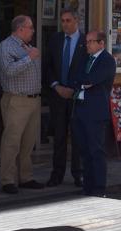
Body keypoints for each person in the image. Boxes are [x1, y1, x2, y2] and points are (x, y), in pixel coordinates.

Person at [0, 15, 45, 194]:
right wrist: (29, 58)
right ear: (20, 29)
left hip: (33, 100)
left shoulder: (28, 47)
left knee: (28, 142)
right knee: (12, 142)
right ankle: (7, 180)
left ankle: (26, 177)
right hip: (16, 100)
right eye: (30, 27)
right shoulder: (5, 46)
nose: (33, 31)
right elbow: (8, 71)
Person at [70, 31, 116, 197]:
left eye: (91, 42)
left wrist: (83, 82)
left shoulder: (107, 60)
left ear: (101, 43)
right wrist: (82, 82)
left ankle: (99, 187)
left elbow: (92, 79)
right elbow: (75, 77)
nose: (87, 44)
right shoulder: (85, 58)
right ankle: (87, 186)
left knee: (96, 150)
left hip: (95, 111)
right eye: (87, 42)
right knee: (84, 149)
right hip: (80, 108)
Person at [43, 8, 85, 188]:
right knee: (59, 137)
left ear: (76, 21)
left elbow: (88, 68)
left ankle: (79, 174)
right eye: (62, 20)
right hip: (58, 96)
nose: (65, 24)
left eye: (68, 20)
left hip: (77, 97)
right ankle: (56, 175)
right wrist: (56, 86)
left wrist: (74, 89)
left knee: (77, 138)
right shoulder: (55, 40)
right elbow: (48, 66)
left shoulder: (85, 41)